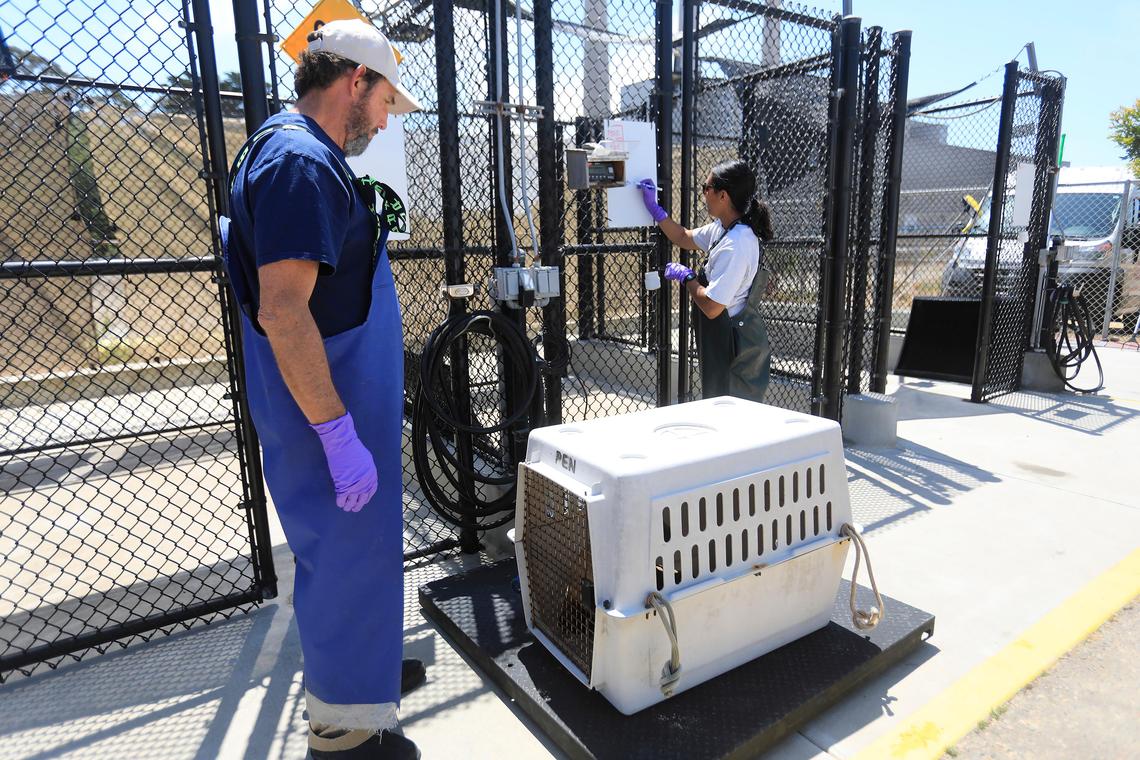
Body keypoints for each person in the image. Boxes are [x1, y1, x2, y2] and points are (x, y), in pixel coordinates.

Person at [219, 19, 423, 760]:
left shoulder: (295, 150)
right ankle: (344, 736)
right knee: (342, 560)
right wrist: (338, 435)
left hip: (333, 399)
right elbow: (283, 309)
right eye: (384, 102)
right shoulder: (300, 162)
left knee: (355, 558)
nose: (384, 122)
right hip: (325, 413)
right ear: (354, 80)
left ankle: (366, 675)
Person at [638, 160, 774, 403]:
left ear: (723, 196)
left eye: (706, 188)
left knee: (730, 406)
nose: (703, 194)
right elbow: (683, 237)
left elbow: (712, 307)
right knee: (717, 400)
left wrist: (687, 277)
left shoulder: (736, 245)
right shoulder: (723, 228)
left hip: (735, 344)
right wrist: (656, 211)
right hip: (725, 337)